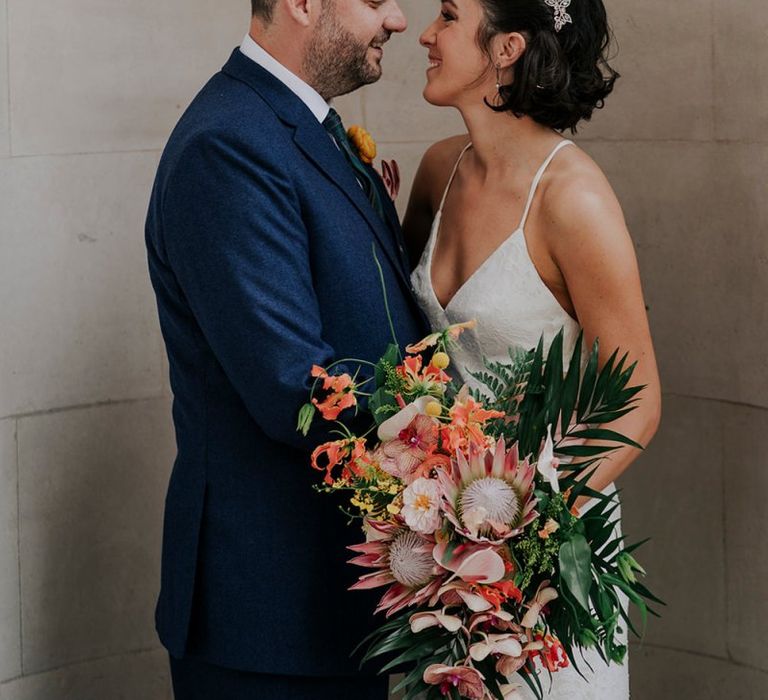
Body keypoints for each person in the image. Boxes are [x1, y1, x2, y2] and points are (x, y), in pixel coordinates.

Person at [144, 0, 426, 698]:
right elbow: (292, 386)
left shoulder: (307, 126)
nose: (395, 19)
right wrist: (462, 451)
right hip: (269, 615)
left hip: (340, 605)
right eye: (375, 1)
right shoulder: (228, 144)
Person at [405, 0, 662, 697]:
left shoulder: (573, 199)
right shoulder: (437, 170)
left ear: (507, 47)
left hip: (544, 544)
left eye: (449, 15)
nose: (425, 32)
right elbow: (407, 344)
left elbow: (636, 403)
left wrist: (519, 532)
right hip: (442, 541)